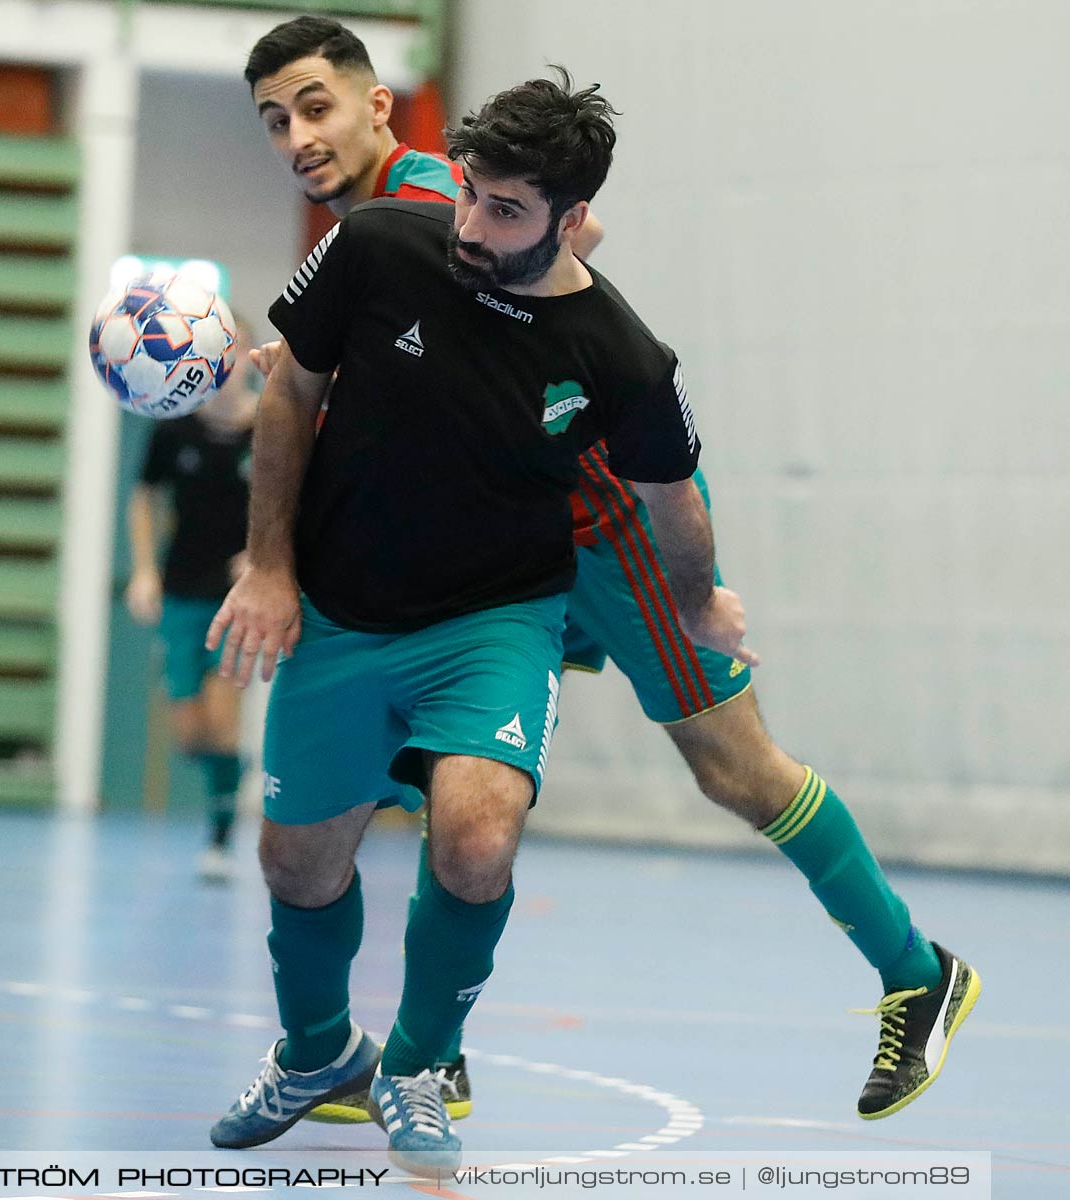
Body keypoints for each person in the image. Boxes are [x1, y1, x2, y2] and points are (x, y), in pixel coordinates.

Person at [242, 16, 980, 1125]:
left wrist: (695, 588)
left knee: (734, 770)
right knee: (428, 778)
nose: (298, 136)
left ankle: (915, 969)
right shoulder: (370, 233)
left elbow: (560, 268)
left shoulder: (433, 193)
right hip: (482, 555)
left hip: (595, 528)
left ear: (375, 105)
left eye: (315, 106)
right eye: (273, 120)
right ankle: (421, 1054)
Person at [205, 70, 738, 1176]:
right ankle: (315, 1057)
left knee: (478, 832)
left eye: (504, 212)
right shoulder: (378, 245)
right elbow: (291, 396)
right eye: (469, 194)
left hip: (494, 619)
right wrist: (267, 565)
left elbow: (670, 491)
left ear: (570, 217)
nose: (471, 226)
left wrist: (697, 599)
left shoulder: (619, 354)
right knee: (294, 866)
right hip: (342, 611)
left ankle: (415, 1062)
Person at [125, 336, 259, 881]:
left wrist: (264, 555)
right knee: (190, 733)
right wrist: (143, 569)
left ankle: (220, 839)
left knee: (223, 718)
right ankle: (230, 774)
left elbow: (302, 497)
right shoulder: (173, 426)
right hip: (181, 590)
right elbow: (144, 494)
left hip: (238, 598)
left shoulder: (270, 427)